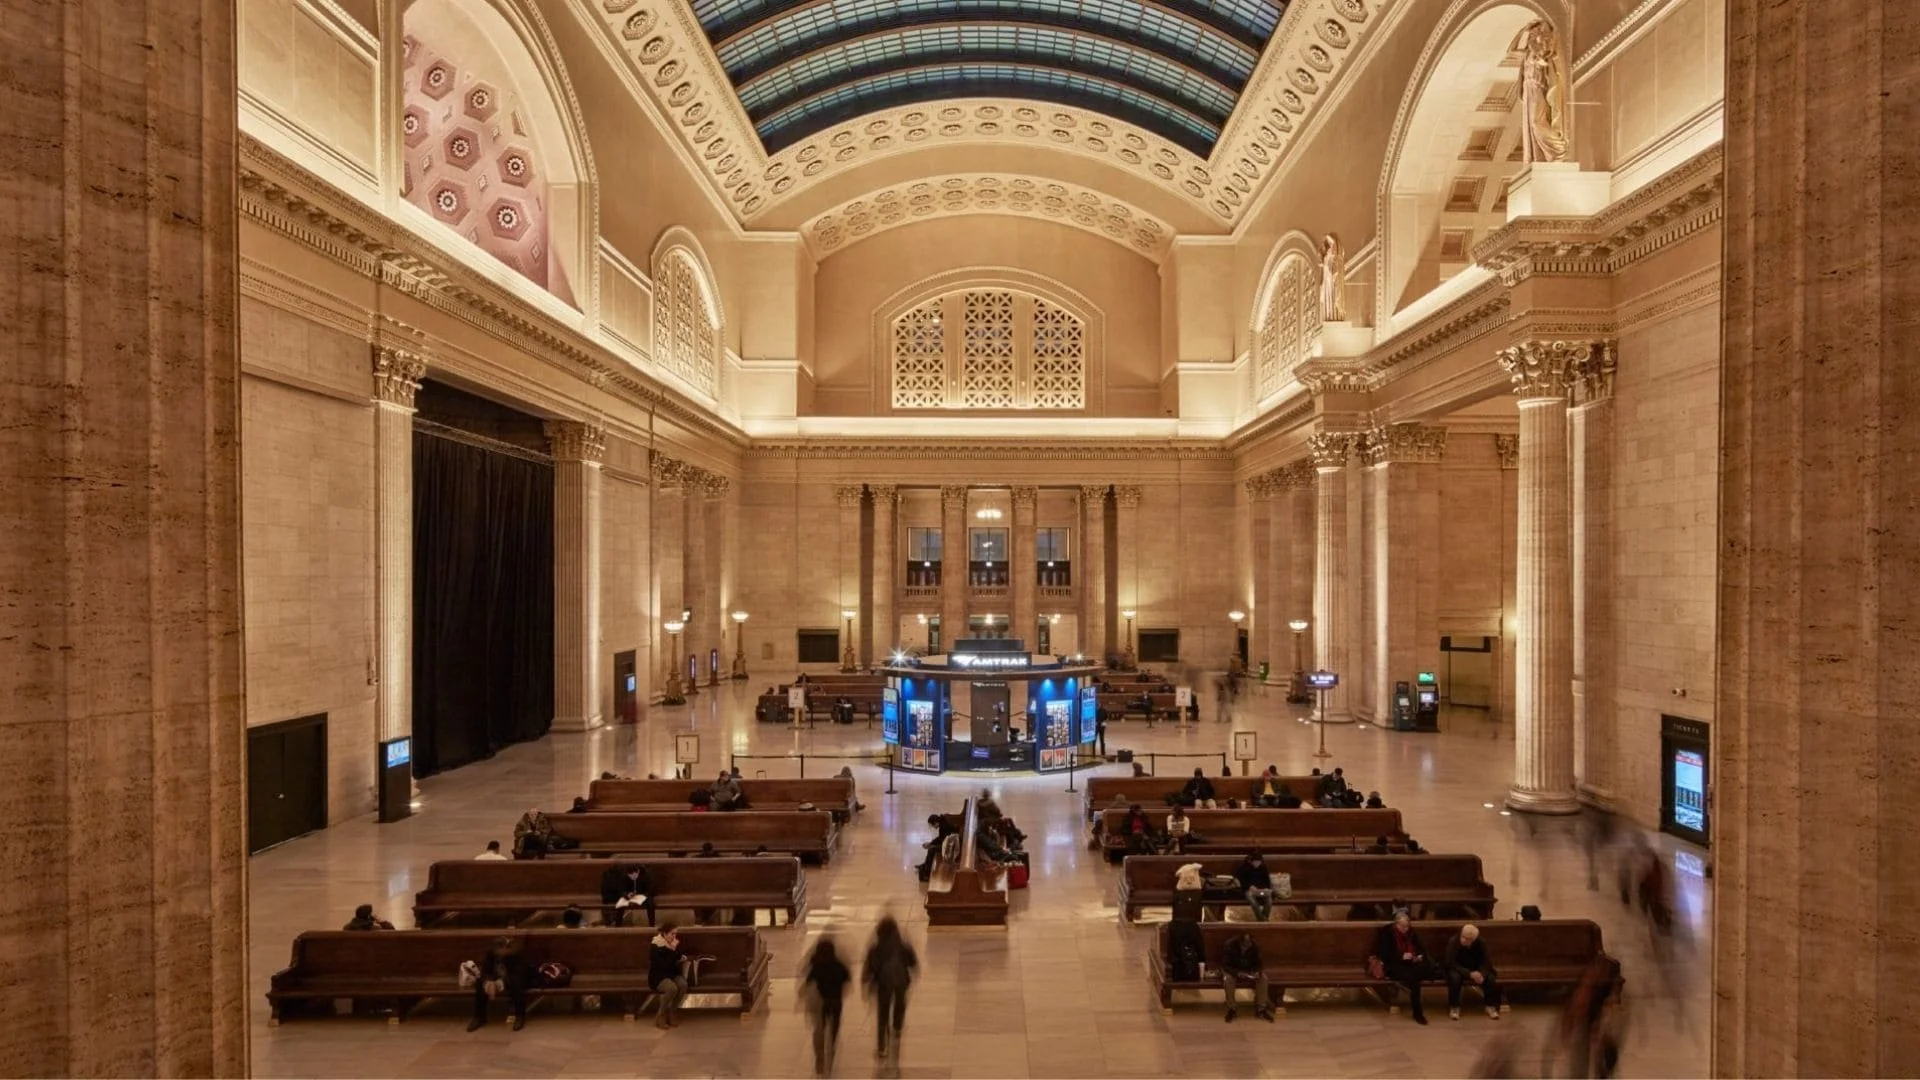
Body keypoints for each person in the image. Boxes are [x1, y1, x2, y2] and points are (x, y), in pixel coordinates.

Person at [863, 915, 918, 1066]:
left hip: (883, 984)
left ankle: (882, 1047)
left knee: (882, 1014)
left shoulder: (876, 947)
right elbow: (913, 962)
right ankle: (897, 1027)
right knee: (900, 1004)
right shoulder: (902, 944)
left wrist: (866, 982)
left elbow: (870, 966)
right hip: (901, 981)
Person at [1371, 908, 1434, 1024]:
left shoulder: (1412, 933)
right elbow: (1384, 954)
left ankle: (1417, 1012)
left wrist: (1418, 956)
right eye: (1403, 927)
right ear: (1396, 924)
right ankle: (1417, 1013)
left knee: (1417, 974)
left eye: (1407, 926)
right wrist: (1401, 956)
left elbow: (1420, 948)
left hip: (1412, 964)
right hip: (1394, 965)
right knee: (1416, 980)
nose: (1405, 929)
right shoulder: (1387, 933)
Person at [802, 937, 852, 1077]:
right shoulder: (838, 964)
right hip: (836, 1001)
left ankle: (819, 1058)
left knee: (819, 1029)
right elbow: (847, 978)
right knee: (834, 1027)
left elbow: (808, 981)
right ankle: (832, 1049)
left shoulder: (817, 965)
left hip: (821, 1002)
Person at [468, 935, 531, 1032]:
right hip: (496, 980)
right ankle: (479, 1017)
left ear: (506, 948)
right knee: (480, 983)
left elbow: (520, 973)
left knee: (516, 983)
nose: (500, 953)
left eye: (501, 950)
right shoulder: (491, 954)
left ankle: (519, 1016)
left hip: (513, 979)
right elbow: (485, 971)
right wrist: (489, 981)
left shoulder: (517, 954)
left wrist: (502, 981)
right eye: (497, 951)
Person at [1443, 923, 1504, 1020]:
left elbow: (1487, 961)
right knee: (1455, 979)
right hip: (1458, 968)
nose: (1464, 940)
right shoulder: (1453, 941)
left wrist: (1482, 974)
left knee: (1490, 978)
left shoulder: (1481, 943)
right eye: (1463, 937)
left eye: (1467, 939)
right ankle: (1454, 1007)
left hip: (1476, 968)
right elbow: (1450, 962)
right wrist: (1469, 974)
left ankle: (1490, 1006)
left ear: (1474, 940)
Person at [1218, 931, 1276, 1023]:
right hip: (1232, 969)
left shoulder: (1254, 946)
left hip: (1248, 970)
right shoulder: (1230, 945)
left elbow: (1259, 963)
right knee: (1228, 980)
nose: (1247, 946)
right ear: (1239, 943)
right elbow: (1225, 965)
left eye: (1249, 944)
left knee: (1263, 978)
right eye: (1245, 945)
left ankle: (1261, 1009)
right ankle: (1231, 1008)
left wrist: (1257, 972)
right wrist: (1237, 973)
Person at [648, 924, 688, 1029]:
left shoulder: (673, 943)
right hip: (658, 976)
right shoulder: (656, 946)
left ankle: (672, 1011)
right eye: (672, 934)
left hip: (673, 973)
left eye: (675, 934)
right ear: (665, 934)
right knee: (671, 988)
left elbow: (677, 957)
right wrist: (672, 950)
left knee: (683, 985)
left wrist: (680, 956)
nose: (674, 937)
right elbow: (663, 966)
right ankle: (660, 1015)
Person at [600, 862, 654, 927]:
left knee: (650, 903)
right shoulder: (625, 876)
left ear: (638, 872)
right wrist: (626, 894)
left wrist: (644, 895)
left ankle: (652, 924)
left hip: (642, 896)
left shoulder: (645, 875)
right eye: (630, 875)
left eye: (634, 875)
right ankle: (618, 925)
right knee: (620, 904)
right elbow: (621, 889)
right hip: (630, 897)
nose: (632, 877)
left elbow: (650, 889)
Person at [1236, 852, 1276, 921]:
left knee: (1269, 901)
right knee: (1253, 902)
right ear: (1251, 861)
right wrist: (1249, 886)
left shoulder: (1263, 868)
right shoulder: (1245, 868)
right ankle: (1263, 920)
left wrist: (1266, 888)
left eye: (1258, 862)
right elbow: (1241, 880)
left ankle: (1263, 919)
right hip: (1250, 891)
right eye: (1255, 862)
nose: (1257, 864)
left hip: (1261, 891)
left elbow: (1267, 881)